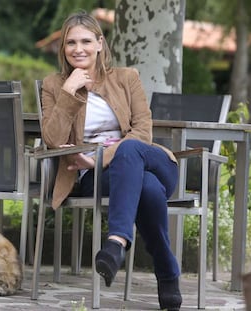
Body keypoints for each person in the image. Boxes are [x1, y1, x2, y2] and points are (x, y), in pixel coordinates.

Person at [40, 11, 182, 311]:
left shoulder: (126, 78)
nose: (78, 49)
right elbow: (52, 139)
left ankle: (117, 240)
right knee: (145, 188)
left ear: (100, 43)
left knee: (130, 151)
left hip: (150, 160)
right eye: (71, 43)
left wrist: (101, 160)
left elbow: (143, 131)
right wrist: (68, 92)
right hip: (100, 177)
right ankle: (166, 270)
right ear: (63, 48)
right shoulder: (54, 85)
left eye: (86, 41)